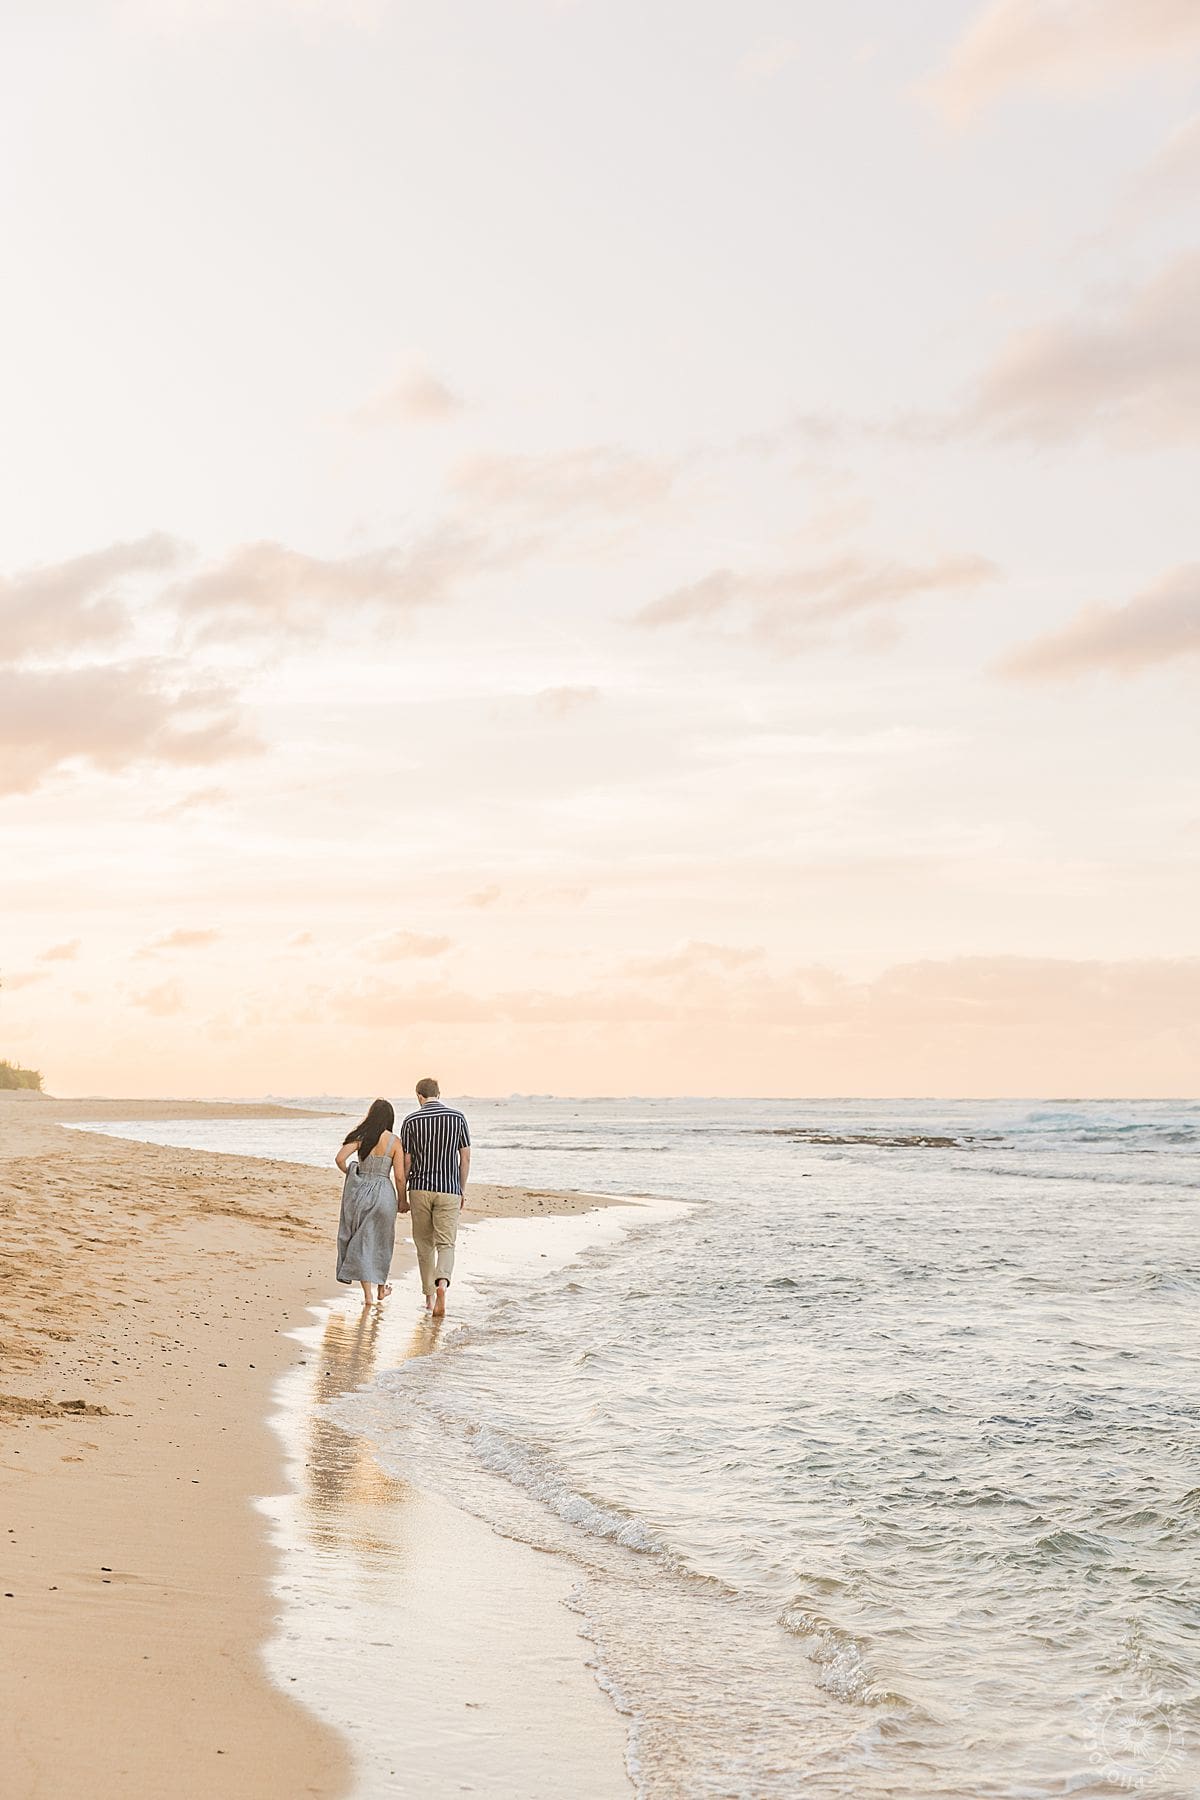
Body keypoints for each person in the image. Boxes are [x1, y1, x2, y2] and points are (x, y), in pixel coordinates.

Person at [400, 1077, 471, 1317]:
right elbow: (465, 1158)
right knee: (446, 1244)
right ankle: (442, 1284)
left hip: (419, 1188)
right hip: (449, 1189)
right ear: (439, 1094)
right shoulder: (458, 1118)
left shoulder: (411, 1121)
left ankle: (429, 1299)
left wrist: (403, 1192)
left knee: (424, 1245)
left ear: (419, 1095)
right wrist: (461, 1189)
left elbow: (407, 1161)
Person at [335, 1098, 406, 1307]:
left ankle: (368, 1296)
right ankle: (381, 1288)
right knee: (383, 1242)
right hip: (384, 1193)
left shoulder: (362, 1136)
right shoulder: (395, 1141)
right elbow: (400, 1177)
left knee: (362, 1241)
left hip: (361, 1192)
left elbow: (339, 1159)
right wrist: (403, 1201)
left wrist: (352, 1173)